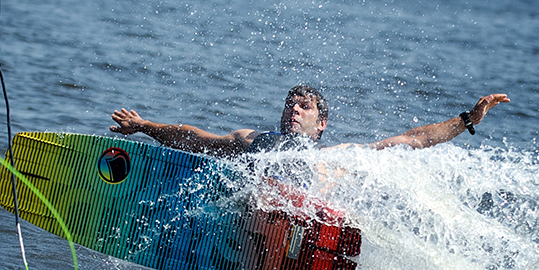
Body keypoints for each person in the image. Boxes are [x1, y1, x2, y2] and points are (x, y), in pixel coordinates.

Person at [109, 85, 510, 157]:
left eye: (304, 107)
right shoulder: (255, 141)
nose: (294, 110)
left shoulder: (336, 155)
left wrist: (467, 119)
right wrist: (145, 126)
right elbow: (196, 139)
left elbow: (412, 139)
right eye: (290, 104)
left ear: (321, 126)